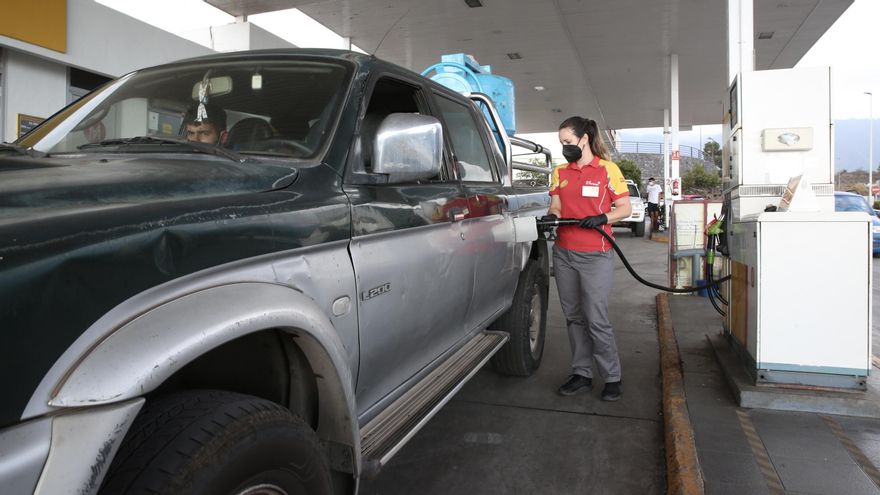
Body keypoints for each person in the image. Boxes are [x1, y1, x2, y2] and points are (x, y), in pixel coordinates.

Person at [541, 116, 631, 401]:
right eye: (561, 144)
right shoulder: (560, 172)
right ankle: (582, 373)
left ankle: (612, 377)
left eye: (568, 142)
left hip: (596, 254)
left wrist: (603, 217)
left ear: (584, 139)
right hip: (564, 252)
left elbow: (625, 207)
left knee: (596, 317)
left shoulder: (607, 170)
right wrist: (551, 216)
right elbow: (556, 204)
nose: (565, 148)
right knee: (573, 317)